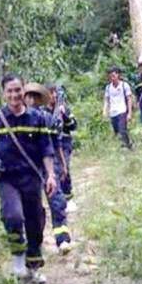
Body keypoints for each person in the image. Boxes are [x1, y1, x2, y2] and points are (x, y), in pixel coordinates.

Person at [0, 74, 57, 284]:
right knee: (12, 216)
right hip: (7, 179)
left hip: (32, 178)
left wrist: (51, 175)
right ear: (4, 94)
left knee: (35, 221)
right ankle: (18, 257)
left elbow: (46, 149)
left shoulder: (37, 118)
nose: (14, 95)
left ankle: (34, 267)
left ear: (24, 91)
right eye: (10, 91)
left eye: (17, 90)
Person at [23, 83, 73, 256]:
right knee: (34, 208)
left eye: (35, 97)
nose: (31, 100)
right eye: (28, 96)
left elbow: (56, 143)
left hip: (49, 165)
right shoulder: (17, 120)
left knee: (57, 201)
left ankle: (63, 239)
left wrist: (63, 165)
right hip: (29, 169)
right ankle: (36, 242)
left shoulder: (48, 119)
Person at [46, 83, 78, 211]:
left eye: (54, 93)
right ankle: (57, 199)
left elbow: (73, 126)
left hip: (64, 141)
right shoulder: (42, 111)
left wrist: (64, 115)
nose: (53, 95)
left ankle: (68, 197)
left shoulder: (64, 108)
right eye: (50, 93)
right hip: (49, 143)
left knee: (65, 169)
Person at [102, 66, 133, 149]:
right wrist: (105, 110)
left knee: (122, 129)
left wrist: (129, 113)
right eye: (110, 76)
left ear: (118, 75)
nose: (112, 78)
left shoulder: (124, 85)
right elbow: (106, 100)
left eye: (114, 76)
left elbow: (129, 98)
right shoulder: (108, 87)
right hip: (113, 112)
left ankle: (125, 146)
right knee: (117, 130)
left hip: (122, 110)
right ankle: (129, 143)